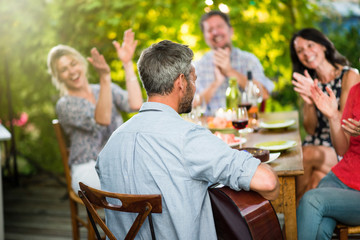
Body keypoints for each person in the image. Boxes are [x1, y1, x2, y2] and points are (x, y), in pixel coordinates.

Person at [96, 40, 279, 239]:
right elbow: (267, 181)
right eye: (194, 79)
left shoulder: (111, 144)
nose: (195, 87)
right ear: (181, 82)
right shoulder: (188, 138)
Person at [47, 29, 143, 193]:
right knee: (124, 188)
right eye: (63, 70)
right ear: (58, 77)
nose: (71, 71)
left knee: (145, 182)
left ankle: (120, 218)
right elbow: (102, 119)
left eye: (73, 64)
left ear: (81, 63)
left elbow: (135, 104)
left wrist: (127, 63)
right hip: (87, 167)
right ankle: (115, 218)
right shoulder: (65, 104)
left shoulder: (104, 89)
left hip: (119, 162)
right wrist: (105, 78)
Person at [290, 28, 360, 202]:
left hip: (340, 146)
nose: (306, 53)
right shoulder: (309, 81)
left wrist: (319, 98)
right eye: (300, 51)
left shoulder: (349, 76)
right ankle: (296, 224)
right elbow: (310, 129)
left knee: (305, 155)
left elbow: (345, 124)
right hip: (315, 145)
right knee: (314, 181)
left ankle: (289, 217)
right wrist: (309, 101)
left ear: (323, 46)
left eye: (310, 45)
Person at [297, 80, 360, 240]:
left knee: (311, 200)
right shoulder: (355, 91)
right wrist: (333, 116)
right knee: (318, 229)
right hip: (340, 177)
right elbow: (342, 150)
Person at [194, 10, 274, 116]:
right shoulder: (198, 66)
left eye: (219, 26)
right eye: (210, 30)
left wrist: (230, 71)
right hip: (210, 129)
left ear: (231, 31)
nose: (215, 32)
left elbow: (263, 94)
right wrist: (216, 83)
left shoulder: (249, 60)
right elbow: (191, 106)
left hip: (246, 126)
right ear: (205, 37)